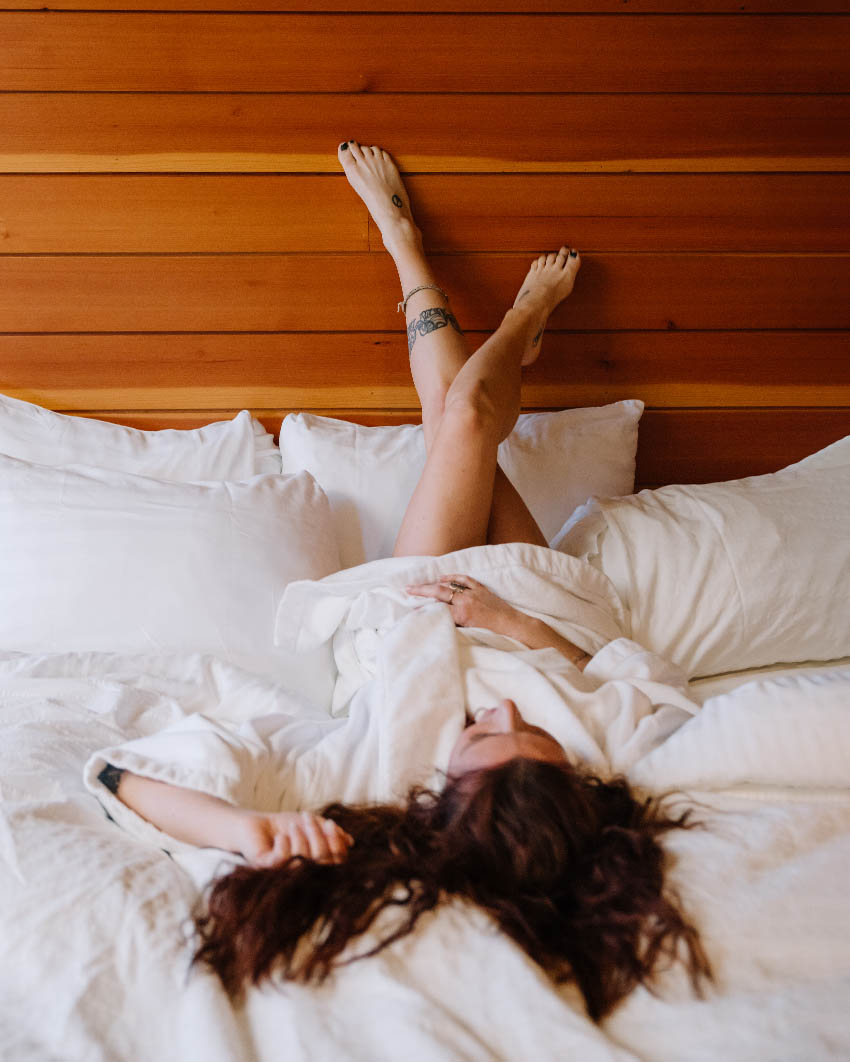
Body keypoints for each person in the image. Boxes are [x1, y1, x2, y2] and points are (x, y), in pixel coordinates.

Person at [87, 141, 711, 1023]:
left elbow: (121, 777)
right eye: (532, 732)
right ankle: (506, 316)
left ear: (445, 798)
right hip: (538, 603)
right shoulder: (594, 764)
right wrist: (524, 631)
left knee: (458, 420)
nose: (507, 715)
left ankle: (425, 265)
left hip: (407, 610)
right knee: (461, 420)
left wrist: (248, 833)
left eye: (487, 738)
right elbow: (663, 691)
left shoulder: (373, 785)